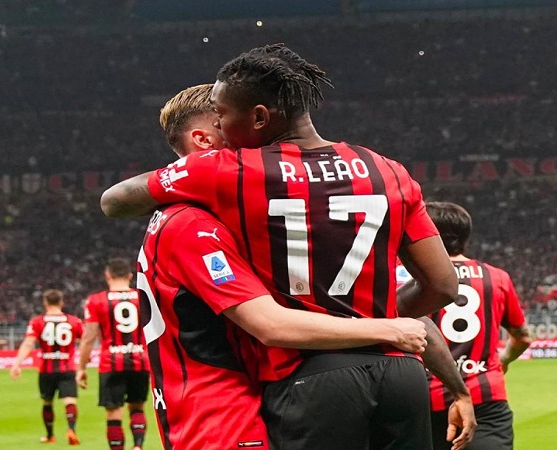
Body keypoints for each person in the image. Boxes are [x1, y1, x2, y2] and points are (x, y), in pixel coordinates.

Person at [101, 44, 462, 449]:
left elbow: (114, 200)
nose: (223, 127)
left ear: (258, 116)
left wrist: (342, 328)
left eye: (223, 114)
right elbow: (443, 286)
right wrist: (379, 322)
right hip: (402, 374)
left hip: (309, 373)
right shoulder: (389, 170)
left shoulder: (231, 171)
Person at [420, 202, 531, 450]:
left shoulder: (407, 275)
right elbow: (522, 337)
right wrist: (503, 361)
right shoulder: (497, 277)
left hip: (423, 398)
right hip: (485, 399)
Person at [75, 258, 150, 450]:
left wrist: (81, 367)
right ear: (130, 276)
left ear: (107, 275)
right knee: (137, 406)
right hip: (141, 360)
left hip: (111, 362)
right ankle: (138, 446)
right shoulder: (142, 297)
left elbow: (89, 337)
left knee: (114, 411)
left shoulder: (96, 300)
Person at [10, 289, 84, 445]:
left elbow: (28, 343)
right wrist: (84, 363)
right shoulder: (74, 321)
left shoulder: (37, 322)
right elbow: (85, 341)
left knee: (47, 402)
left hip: (46, 369)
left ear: (45, 303)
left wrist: (17, 364)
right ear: (61, 302)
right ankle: (71, 430)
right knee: (69, 401)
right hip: (67, 367)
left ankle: (50, 435)